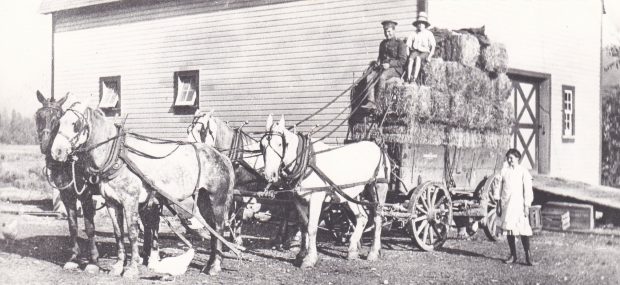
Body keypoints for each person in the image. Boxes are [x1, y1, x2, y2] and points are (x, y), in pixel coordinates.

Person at [497, 148, 536, 266]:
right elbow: (498, 187)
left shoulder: (523, 171)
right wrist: (498, 203)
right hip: (507, 205)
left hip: (519, 205)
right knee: (509, 231)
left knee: (523, 230)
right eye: (508, 158)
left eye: (511, 158)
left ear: (517, 158)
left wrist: (526, 205)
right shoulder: (504, 172)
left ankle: (528, 257)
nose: (509, 160)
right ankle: (513, 255)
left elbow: (528, 189)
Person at [360, 20, 408, 110]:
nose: (387, 33)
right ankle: (371, 101)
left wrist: (389, 65)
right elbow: (380, 57)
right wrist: (377, 63)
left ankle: (379, 102)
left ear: (394, 31)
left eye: (389, 31)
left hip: (395, 69)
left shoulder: (400, 44)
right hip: (383, 67)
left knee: (382, 76)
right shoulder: (382, 44)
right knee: (370, 76)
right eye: (385, 31)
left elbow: (402, 61)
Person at [406, 12, 436, 83]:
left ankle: (414, 78)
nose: (420, 25)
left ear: (425, 25)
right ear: (417, 24)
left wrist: (430, 56)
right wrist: (408, 53)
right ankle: (408, 77)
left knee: (418, 58)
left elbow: (433, 46)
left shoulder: (429, 34)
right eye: (419, 23)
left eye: (422, 23)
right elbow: (408, 44)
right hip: (416, 51)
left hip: (425, 51)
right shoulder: (413, 33)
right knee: (410, 59)